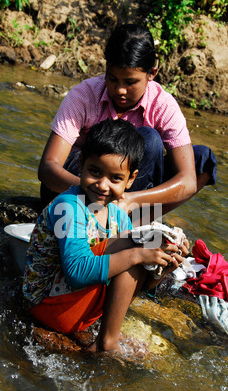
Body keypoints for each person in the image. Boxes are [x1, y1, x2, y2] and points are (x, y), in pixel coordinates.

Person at [23, 119, 189, 353]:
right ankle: (106, 343)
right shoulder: (67, 207)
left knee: (149, 242)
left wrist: (164, 263)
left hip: (81, 311)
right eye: (94, 171)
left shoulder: (117, 215)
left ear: (131, 179)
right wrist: (136, 254)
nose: (102, 185)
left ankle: (106, 336)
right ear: (80, 164)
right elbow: (77, 273)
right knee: (137, 245)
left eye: (115, 178)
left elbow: (135, 284)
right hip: (49, 309)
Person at [38, 23, 217, 217]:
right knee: (148, 139)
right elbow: (48, 168)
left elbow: (189, 181)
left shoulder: (163, 105)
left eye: (130, 82)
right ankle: (108, 219)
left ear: (152, 74)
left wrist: (132, 200)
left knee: (201, 159)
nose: (119, 90)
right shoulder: (84, 96)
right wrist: (96, 190)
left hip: (128, 198)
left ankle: (136, 221)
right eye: (112, 79)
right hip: (77, 191)